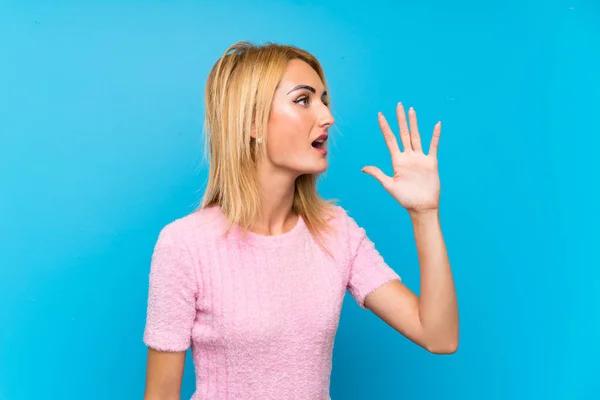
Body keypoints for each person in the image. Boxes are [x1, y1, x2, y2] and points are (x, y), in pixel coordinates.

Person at [142, 41, 459, 400]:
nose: (327, 117)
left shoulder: (336, 232)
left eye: (324, 100)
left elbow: (439, 337)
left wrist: (425, 214)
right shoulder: (185, 244)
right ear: (252, 122)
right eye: (303, 100)